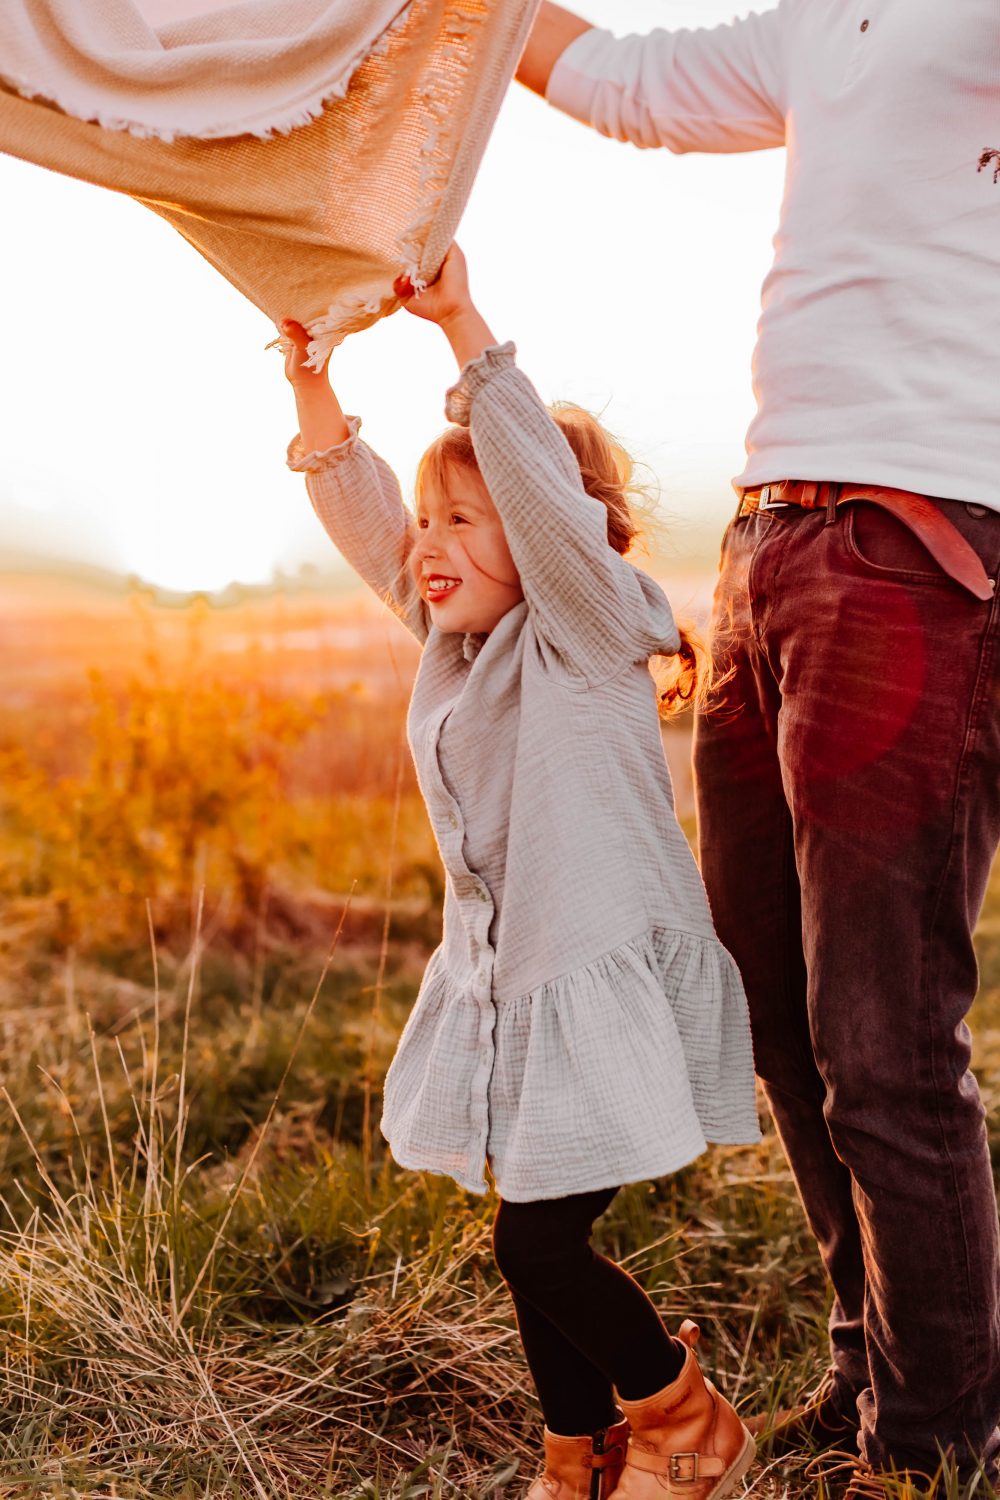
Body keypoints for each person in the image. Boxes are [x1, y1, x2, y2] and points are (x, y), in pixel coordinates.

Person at [515, 1, 1000, 1490]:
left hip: (918, 550)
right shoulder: (820, 24)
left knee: (883, 1041)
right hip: (770, 545)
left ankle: (932, 1447)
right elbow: (621, 81)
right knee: (775, 1011)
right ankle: (873, 1373)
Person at [279, 242, 761, 1500]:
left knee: (538, 1246)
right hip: (522, 994)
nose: (426, 544)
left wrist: (463, 331)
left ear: (546, 533)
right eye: (429, 519)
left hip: (603, 990)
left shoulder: (582, 624)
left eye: (463, 516)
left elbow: (544, 510)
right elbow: (371, 523)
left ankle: (687, 1424)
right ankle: (579, 1459)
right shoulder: (458, 639)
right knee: (528, 1238)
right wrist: (312, 386)